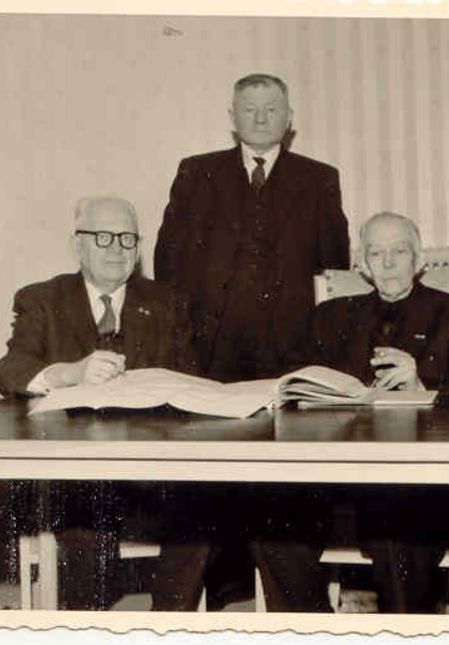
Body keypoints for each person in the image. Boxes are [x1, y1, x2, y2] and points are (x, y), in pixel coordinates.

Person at [153, 72, 351, 609]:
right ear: (232, 118)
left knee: (284, 492)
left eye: (271, 109)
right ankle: (226, 597)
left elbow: (334, 271)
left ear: (289, 119)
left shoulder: (319, 178)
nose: (260, 118)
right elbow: (168, 261)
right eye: (249, 109)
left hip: (288, 360)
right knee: (207, 489)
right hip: (211, 359)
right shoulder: (196, 172)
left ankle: (296, 614)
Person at [251, 212, 449, 612]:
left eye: (400, 251)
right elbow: (290, 379)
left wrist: (420, 387)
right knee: (271, 525)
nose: (388, 262)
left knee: (398, 529)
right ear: (362, 264)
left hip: (417, 485)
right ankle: (311, 630)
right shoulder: (329, 317)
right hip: (335, 482)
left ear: (420, 260)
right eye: (376, 253)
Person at [0, 196, 198, 610]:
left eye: (126, 238)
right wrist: (69, 373)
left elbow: (190, 379)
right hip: (76, 472)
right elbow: (8, 369)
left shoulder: (168, 302)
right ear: (77, 245)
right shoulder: (42, 299)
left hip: (153, 468)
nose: (116, 249)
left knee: (201, 514)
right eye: (103, 237)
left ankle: (170, 624)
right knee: (82, 516)